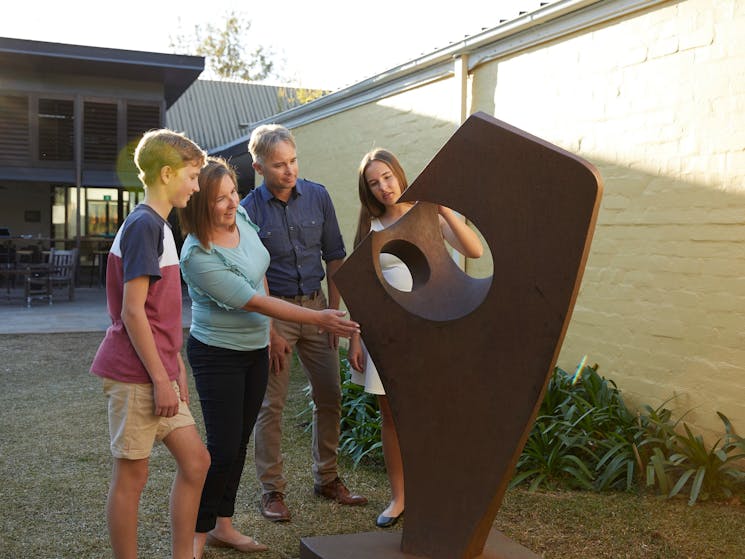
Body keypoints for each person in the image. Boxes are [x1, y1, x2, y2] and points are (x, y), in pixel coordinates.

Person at [178, 157, 360, 557]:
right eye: (220, 199)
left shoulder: (241, 216)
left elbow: (259, 265)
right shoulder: (197, 256)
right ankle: (195, 534)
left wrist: (271, 334)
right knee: (222, 448)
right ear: (199, 205)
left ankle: (222, 525)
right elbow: (255, 301)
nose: (232, 203)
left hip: (254, 351)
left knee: (240, 443)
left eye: (233, 193)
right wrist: (317, 318)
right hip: (218, 356)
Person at [90, 129, 211, 559]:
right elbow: (133, 311)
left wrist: (175, 365)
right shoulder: (145, 226)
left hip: (161, 372)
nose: (197, 186)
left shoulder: (158, 227)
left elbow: (159, 312)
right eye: (193, 176)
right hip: (136, 376)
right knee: (132, 477)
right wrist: (161, 378)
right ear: (166, 173)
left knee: (197, 463)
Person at [348, 148, 483, 528]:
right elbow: (364, 289)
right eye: (374, 183)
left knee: (436, 411)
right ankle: (399, 498)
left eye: (387, 177)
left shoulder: (427, 213)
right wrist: (356, 339)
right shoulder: (369, 228)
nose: (383, 188)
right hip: (388, 334)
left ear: (399, 174)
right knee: (391, 416)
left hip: (433, 328)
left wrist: (444, 210)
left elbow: (473, 250)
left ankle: (440, 492)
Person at [240, 124, 368, 522]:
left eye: (293, 160)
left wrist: (333, 311)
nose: (289, 170)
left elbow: (334, 256)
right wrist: (271, 328)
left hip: (318, 310)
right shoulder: (248, 209)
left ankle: (327, 478)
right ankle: (272, 491)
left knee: (330, 395)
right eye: (279, 165)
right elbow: (250, 273)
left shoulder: (318, 196)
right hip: (275, 312)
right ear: (260, 167)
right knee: (270, 405)